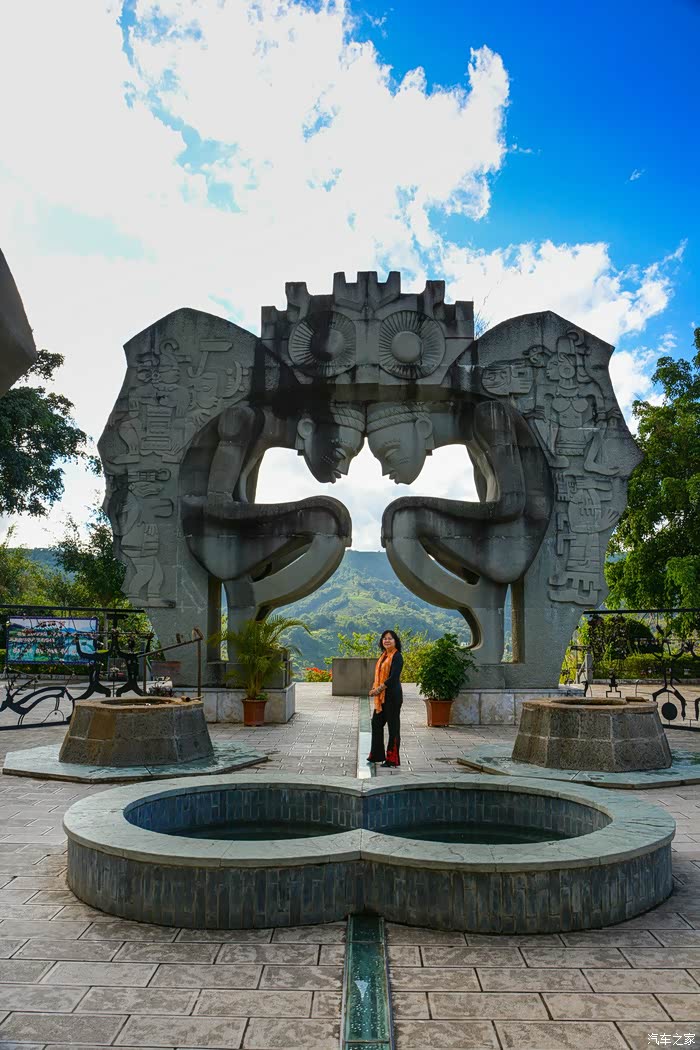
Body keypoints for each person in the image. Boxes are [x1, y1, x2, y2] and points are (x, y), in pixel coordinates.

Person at [367, 630, 404, 767]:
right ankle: (377, 755)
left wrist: (378, 689)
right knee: (376, 723)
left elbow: (393, 678)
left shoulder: (397, 656)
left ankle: (392, 759)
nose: (387, 640)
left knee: (393, 727)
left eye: (390, 638)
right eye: (384, 638)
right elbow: (379, 675)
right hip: (381, 698)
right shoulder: (383, 656)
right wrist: (374, 687)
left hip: (392, 697)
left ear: (395, 641)